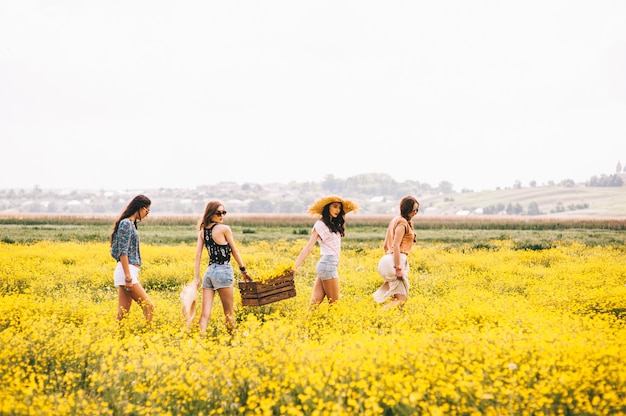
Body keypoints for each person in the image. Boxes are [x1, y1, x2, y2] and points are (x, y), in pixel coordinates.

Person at [194, 200, 251, 334]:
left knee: (204, 314)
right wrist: (243, 270)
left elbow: (197, 255)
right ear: (210, 214)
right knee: (229, 312)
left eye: (223, 212)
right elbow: (235, 250)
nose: (222, 215)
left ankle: (198, 342)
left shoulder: (203, 231)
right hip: (223, 271)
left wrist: (197, 278)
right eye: (218, 213)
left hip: (209, 273)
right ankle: (233, 341)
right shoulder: (224, 229)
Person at [293, 195, 358, 308]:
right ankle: (333, 325)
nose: (337, 210)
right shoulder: (320, 224)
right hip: (328, 265)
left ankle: (305, 324)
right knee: (334, 304)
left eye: (339, 208)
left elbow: (344, 212)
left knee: (315, 303)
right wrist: (294, 267)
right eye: (334, 206)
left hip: (326, 266)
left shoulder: (333, 224)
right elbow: (308, 247)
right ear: (327, 207)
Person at [110, 194, 154, 324]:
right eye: (147, 210)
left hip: (127, 271)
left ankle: (117, 339)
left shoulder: (131, 224)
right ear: (140, 208)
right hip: (126, 272)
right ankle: (148, 336)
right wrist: (128, 277)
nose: (147, 214)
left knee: (123, 313)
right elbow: (123, 252)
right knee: (149, 306)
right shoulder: (126, 224)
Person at [373, 195, 419, 310]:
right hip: (395, 261)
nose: (415, 212)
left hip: (387, 260)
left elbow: (385, 245)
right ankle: (379, 316)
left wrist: (388, 264)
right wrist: (398, 267)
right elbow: (396, 245)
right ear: (407, 209)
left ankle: (395, 322)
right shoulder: (402, 222)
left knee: (397, 297)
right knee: (401, 299)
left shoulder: (394, 220)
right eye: (414, 210)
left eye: (417, 210)